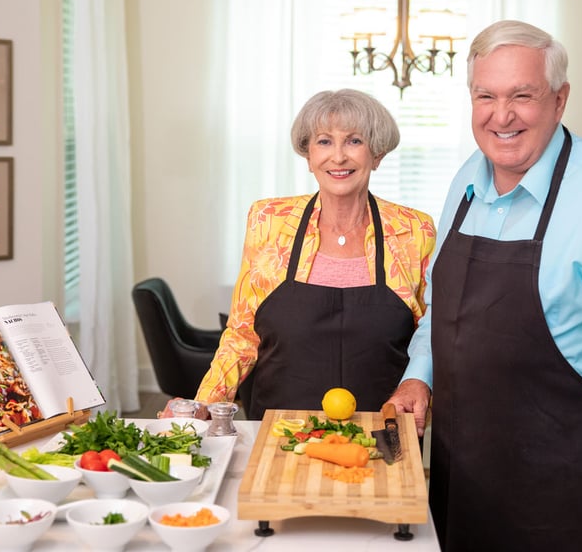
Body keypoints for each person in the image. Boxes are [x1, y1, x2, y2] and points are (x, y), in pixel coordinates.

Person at [387, 20, 582, 551]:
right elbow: (444, 310)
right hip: (455, 480)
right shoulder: (467, 179)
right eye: (485, 95)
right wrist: (419, 376)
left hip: (559, 494)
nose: (501, 115)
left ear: (559, 100)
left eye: (522, 96)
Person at [162, 88, 436, 421]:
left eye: (354, 141)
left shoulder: (414, 231)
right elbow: (243, 333)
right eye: (323, 141)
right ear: (308, 156)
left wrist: (423, 387)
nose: (338, 157)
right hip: (278, 430)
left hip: (382, 427)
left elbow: (431, 333)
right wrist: (204, 402)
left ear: (376, 155)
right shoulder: (270, 221)